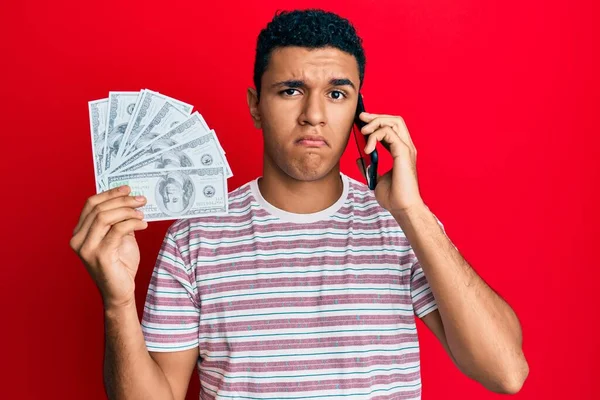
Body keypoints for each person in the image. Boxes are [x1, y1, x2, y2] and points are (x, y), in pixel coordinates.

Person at [70, 9, 529, 400]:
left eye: (336, 93)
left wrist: (412, 213)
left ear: (359, 111)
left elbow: (506, 372)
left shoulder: (402, 226)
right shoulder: (194, 238)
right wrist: (116, 302)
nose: (314, 113)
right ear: (255, 105)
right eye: (290, 90)